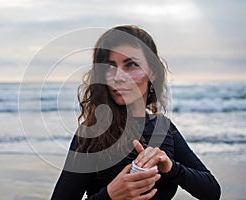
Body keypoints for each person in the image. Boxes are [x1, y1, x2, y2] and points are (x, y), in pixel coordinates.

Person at [51, 25, 221, 200]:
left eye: (131, 64)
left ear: (152, 72)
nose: (118, 76)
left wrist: (170, 167)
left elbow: (212, 191)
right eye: (110, 66)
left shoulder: (163, 128)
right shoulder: (91, 134)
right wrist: (110, 195)